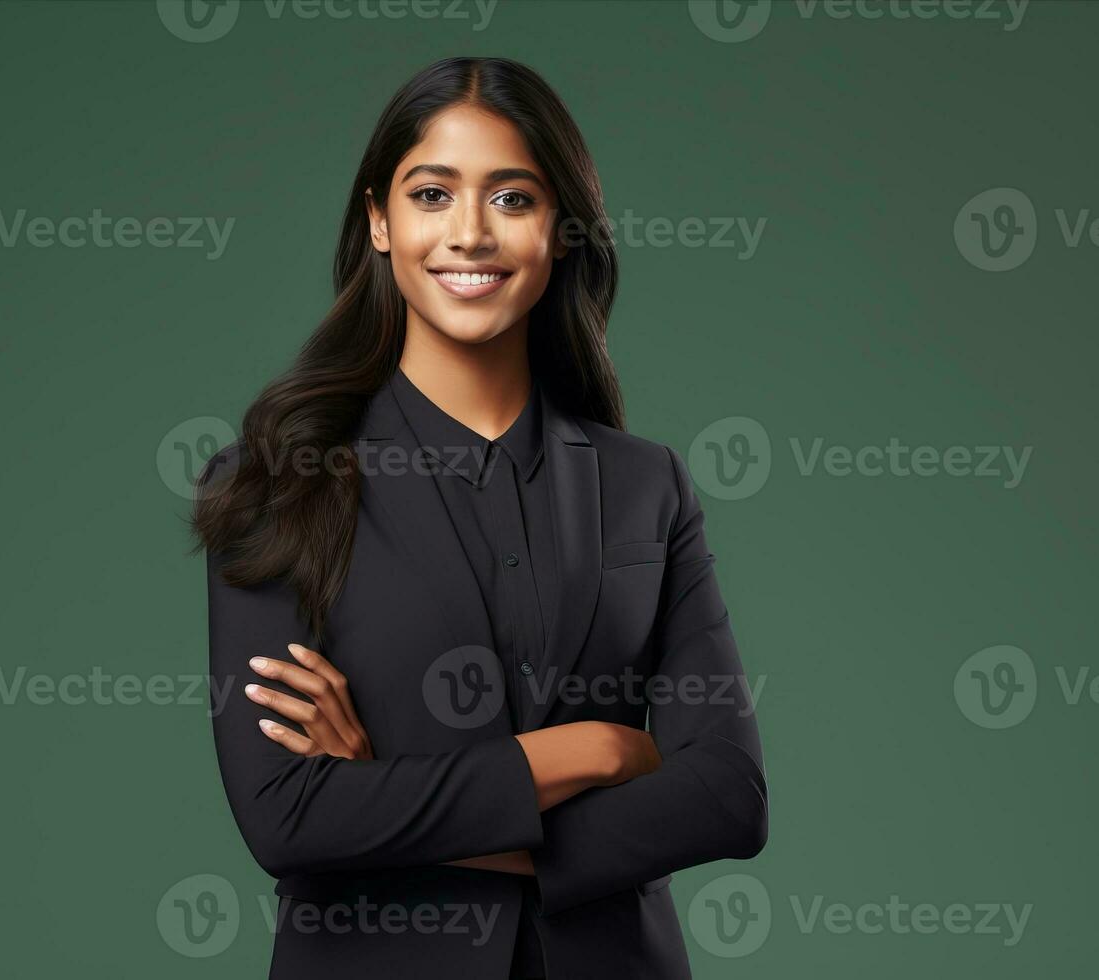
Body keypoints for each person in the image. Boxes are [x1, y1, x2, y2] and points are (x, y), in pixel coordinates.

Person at [192, 56, 768, 980]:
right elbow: (288, 817)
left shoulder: (647, 485)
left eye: (511, 198)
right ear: (379, 220)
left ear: (561, 232)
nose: (469, 234)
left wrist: (390, 801)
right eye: (431, 194)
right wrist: (596, 748)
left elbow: (730, 797)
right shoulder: (276, 484)